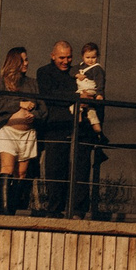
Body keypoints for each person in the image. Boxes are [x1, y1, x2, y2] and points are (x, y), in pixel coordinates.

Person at [0, 47, 38, 214]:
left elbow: (43, 108)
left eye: (27, 59)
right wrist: (19, 104)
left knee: (22, 173)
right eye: (23, 60)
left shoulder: (32, 83)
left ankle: (13, 210)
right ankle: (2, 212)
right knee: (7, 169)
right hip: (9, 131)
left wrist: (34, 115)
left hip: (28, 134)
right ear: (15, 62)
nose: (27, 63)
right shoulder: (3, 81)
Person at [33, 40, 79, 215]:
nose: (65, 61)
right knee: (54, 169)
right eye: (61, 57)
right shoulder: (44, 72)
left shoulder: (75, 73)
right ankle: (54, 209)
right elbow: (48, 95)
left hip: (74, 127)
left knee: (73, 170)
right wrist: (75, 96)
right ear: (52, 56)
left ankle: (72, 209)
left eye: (69, 57)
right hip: (54, 127)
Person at [72, 41, 111, 218]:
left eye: (93, 57)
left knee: (93, 115)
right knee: (78, 109)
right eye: (88, 57)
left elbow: (100, 82)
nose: (90, 60)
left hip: (91, 94)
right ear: (82, 57)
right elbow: (73, 73)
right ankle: (83, 122)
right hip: (80, 95)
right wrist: (77, 77)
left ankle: (98, 133)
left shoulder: (97, 69)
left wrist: (100, 93)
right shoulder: (80, 67)